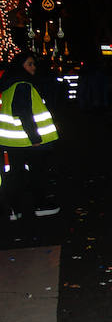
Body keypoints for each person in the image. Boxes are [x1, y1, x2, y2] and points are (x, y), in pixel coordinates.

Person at [0, 51, 59, 219]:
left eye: (33, 64)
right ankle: (40, 205)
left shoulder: (9, 85)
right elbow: (23, 112)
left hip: (12, 139)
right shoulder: (23, 84)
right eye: (29, 64)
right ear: (21, 66)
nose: (33, 67)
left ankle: (13, 208)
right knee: (37, 173)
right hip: (26, 140)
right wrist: (34, 137)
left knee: (16, 173)